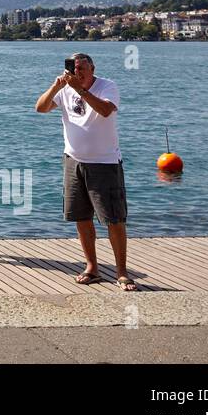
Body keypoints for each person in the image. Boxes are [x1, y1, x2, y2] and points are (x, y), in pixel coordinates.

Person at [34, 52, 136, 291]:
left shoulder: (107, 86)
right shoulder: (65, 88)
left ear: (92, 68)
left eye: (81, 67)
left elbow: (105, 110)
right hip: (73, 161)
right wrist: (56, 86)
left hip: (105, 163)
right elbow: (40, 108)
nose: (77, 71)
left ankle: (121, 272)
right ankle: (92, 267)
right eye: (73, 67)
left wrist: (80, 90)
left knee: (114, 219)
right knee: (81, 217)